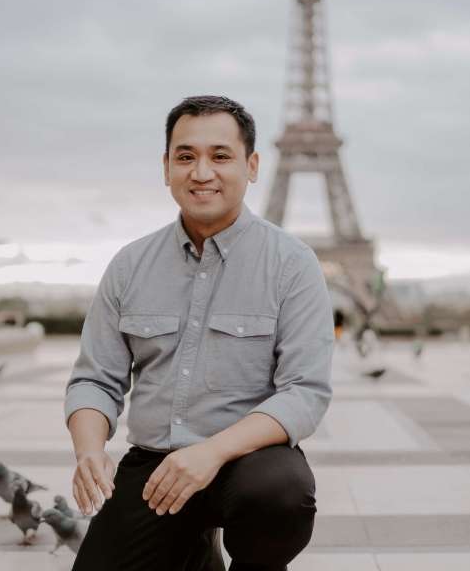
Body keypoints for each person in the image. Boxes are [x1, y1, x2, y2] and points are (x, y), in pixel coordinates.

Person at [64, 95, 334, 571]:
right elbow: (95, 379)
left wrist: (211, 453)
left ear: (251, 166)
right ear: (166, 167)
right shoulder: (130, 265)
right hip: (156, 467)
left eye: (220, 156)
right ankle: (195, 551)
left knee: (280, 494)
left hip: (248, 462)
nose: (201, 172)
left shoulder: (292, 264)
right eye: (186, 157)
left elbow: (304, 393)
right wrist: (89, 450)